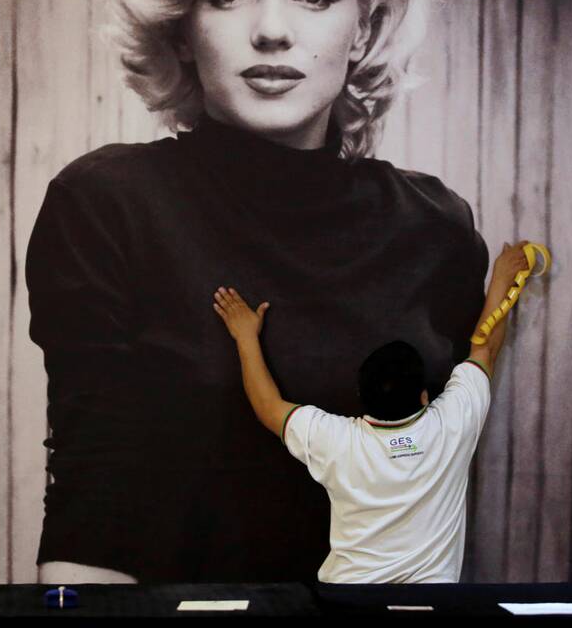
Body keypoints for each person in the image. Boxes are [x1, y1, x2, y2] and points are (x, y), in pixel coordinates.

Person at [26, 0, 486, 583]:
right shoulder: (108, 207)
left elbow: (435, 497)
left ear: (364, 26)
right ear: (182, 26)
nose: (272, 31)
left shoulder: (436, 229)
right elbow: (94, 497)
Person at [213, 241, 532, 584]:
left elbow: (268, 406)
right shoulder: (453, 422)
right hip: (429, 605)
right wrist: (503, 277)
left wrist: (245, 336)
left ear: (361, 398)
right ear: (424, 396)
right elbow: (485, 350)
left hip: (348, 602)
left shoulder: (336, 441)